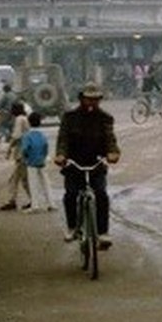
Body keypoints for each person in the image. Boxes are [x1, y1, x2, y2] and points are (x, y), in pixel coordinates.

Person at [55, 82, 121, 249]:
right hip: (73, 164)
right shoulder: (69, 117)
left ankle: (102, 232)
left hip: (96, 163)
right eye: (89, 99)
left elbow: (110, 139)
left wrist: (113, 153)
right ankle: (72, 227)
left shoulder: (105, 118)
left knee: (101, 194)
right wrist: (61, 155)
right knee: (70, 195)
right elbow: (63, 139)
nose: (92, 103)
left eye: (96, 99)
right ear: (81, 99)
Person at [0, 101, 32, 212]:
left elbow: (16, 136)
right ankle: (14, 200)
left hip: (21, 153)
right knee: (19, 179)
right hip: (25, 153)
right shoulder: (25, 119)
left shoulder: (19, 119)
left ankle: (17, 200)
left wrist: (9, 149)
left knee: (20, 179)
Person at [20, 112, 56, 213]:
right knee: (46, 183)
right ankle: (51, 203)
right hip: (42, 161)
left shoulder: (27, 136)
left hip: (31, 162)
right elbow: (46, 147)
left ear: (29, 122)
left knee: (33, 184)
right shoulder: (42, 135)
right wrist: (43, 157)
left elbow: (25, 149)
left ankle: (35, 205)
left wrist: (25, 158)